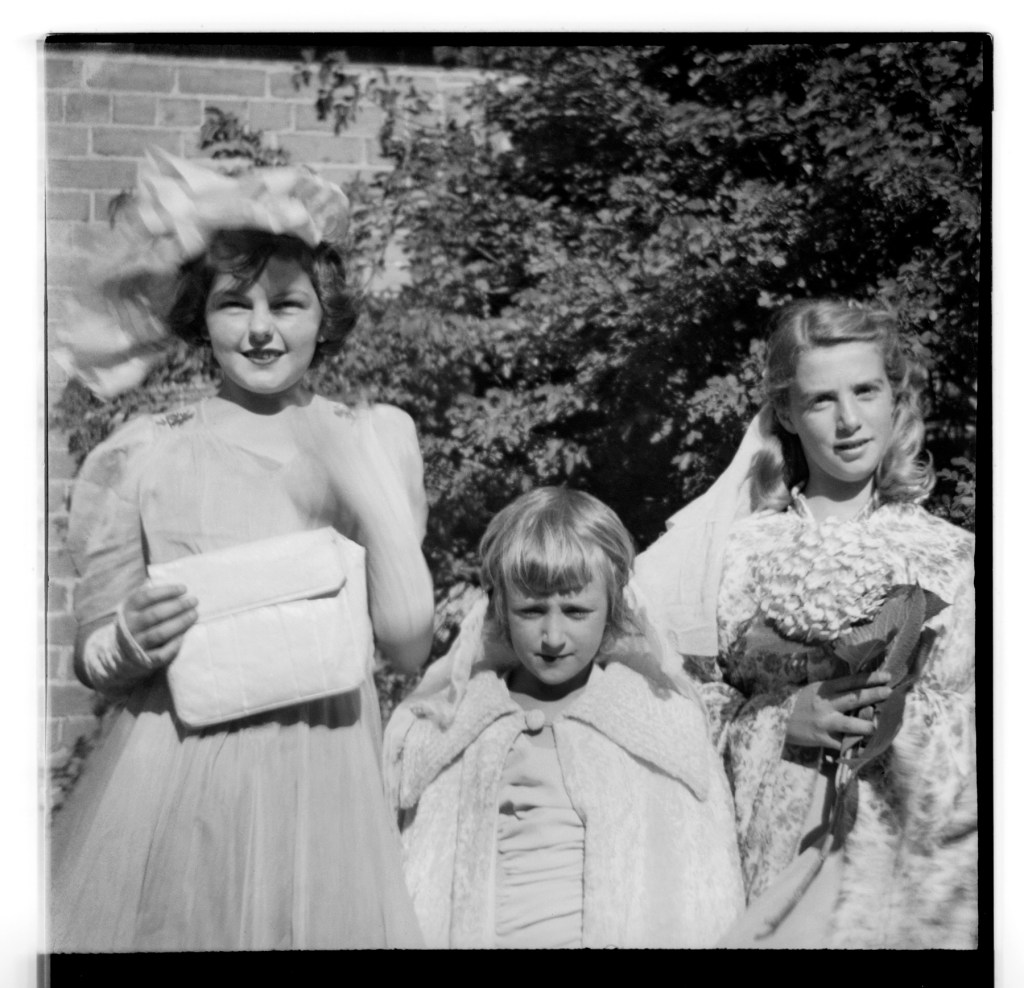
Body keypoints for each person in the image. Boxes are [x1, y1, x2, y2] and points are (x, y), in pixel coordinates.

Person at [49, 150, 434, 951]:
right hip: (179, 784)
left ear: (325, 314)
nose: (261, 329)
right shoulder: (146, 454)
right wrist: (128, 639)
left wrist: (371, 497)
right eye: (235, 305)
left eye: (288, 304)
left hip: (325, 789)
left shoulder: (372, 438)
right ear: (201, 317)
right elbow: (90, 653)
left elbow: (406, 644)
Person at [634, 299, 976, 949]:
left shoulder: (954, 554)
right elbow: (677, 706)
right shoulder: (735, 551)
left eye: (866, 391)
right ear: (787, 412)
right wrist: (776, 720)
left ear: (894, 396)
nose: (849, 421)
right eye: (822, 400)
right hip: (776, 847)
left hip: (910, 870)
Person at [383, 486, 745, 948]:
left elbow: (700, 890)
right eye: (531, 610)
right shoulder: (452, 731)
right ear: (499, 609)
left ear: (614, 607)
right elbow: (418, 874)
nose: (553, 635)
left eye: (576, 611)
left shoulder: (660, 729)